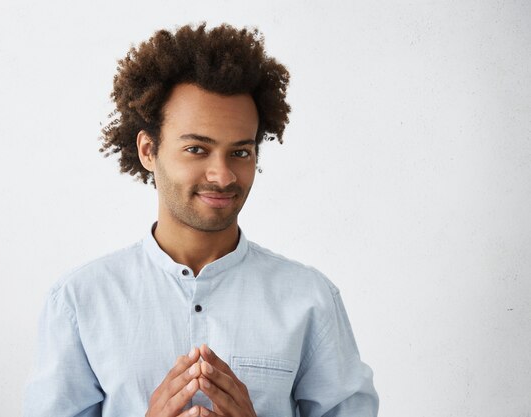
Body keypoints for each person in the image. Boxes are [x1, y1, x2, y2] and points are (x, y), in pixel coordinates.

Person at [24, 23, 378, 417]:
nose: (223, 176)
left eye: (240, 153)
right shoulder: (80, 301)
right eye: (197, 149)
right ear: (148, 150)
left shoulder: (310, 299)